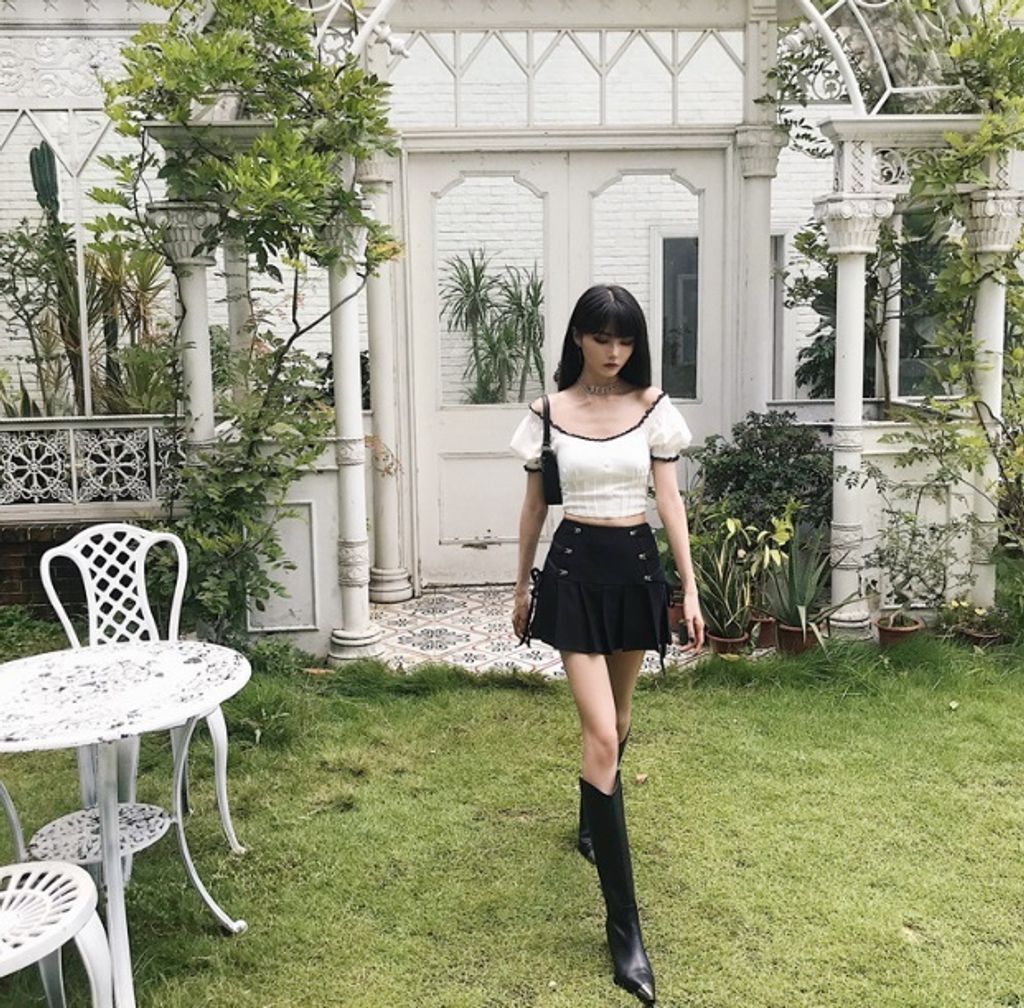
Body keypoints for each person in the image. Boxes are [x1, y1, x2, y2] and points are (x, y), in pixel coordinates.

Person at [509, 283, 704, 1006]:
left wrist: (690, 588)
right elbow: (535, 505)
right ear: (578, 339)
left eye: (625, 340)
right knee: (599, 734)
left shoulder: (653, 408)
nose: (614, 352)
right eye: (601, 338)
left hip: (636, 575)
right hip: (573, 575)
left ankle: (591, 821)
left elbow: (669, 501)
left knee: (618, 725)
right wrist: (520, 586)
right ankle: (626, 932)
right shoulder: (547, 414)